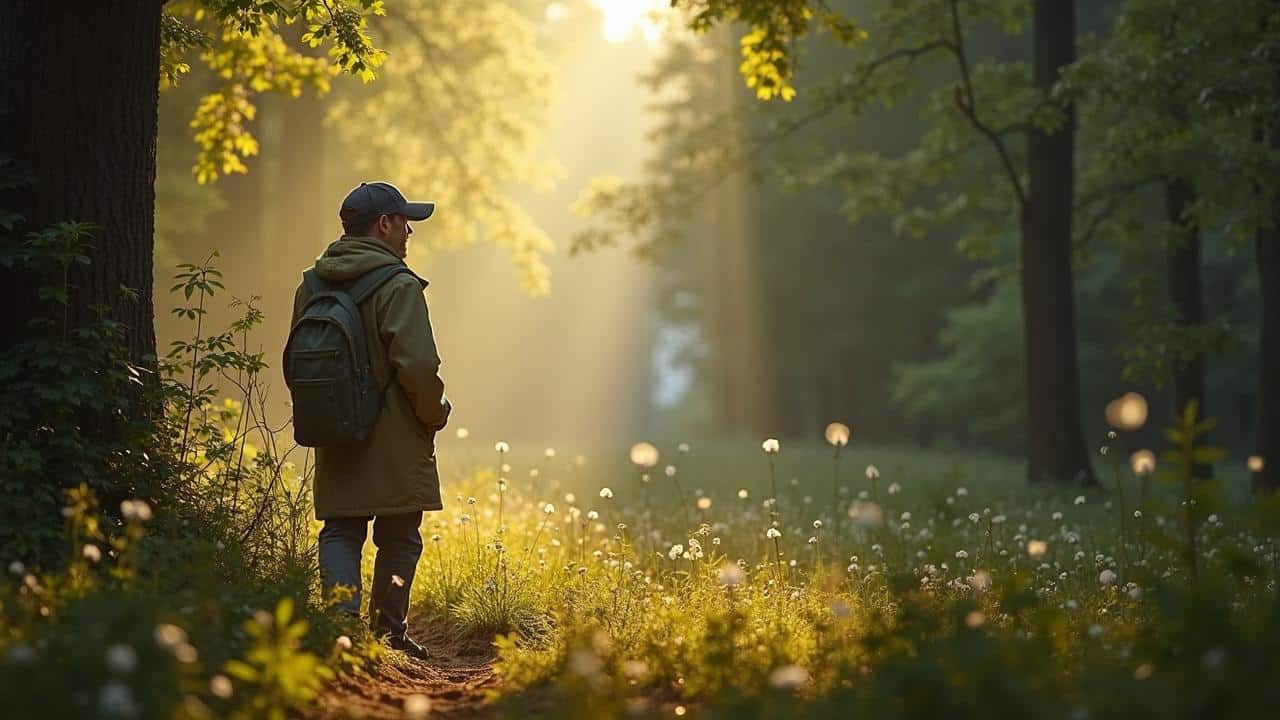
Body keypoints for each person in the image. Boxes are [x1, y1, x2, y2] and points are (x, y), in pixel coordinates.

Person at [289, 181, 451, 660]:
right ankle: (387, 635)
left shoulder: (312, 283)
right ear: (384, 224)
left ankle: (340, 634)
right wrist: (434, 414)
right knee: (400, 533)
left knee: (341, 530)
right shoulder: (398, 285)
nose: (408, 233)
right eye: (405, 222)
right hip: (395, 434)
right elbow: (418, 366)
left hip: (335, 429)